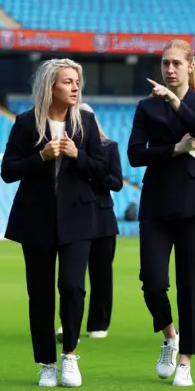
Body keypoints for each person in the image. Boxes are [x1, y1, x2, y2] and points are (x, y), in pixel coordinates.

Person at [0, 58, 107, 387]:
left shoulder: (86, 123)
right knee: (41, 293)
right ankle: (47, 362)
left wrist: (79, 156)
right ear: (50, 87)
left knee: (73, 288)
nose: (75, 87)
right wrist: (41, 157)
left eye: (77, 81)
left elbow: (105, 173)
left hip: (78, 219)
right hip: (36, 221)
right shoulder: (25, 123)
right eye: (67, 82)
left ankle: (70, 355)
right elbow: (8, 171)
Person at [127, 39, 195, 387]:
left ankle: (185, 360)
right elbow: (135, 155)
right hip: (157, 202)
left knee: (191, 284)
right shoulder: (145, 107)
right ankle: (170, 335)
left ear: (190, 66)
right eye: (165, 63)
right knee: (152, 282)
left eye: (177, 63)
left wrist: (176, 102)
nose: (170, 69)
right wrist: (173, 149)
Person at [55, 103, 123, 341]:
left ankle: (99, 323)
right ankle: (68, 322)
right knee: (72, 274)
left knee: (102, 273)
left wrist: (90, 171)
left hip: (102, 217)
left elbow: (116, 182)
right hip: (74, 216)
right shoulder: (61, 148)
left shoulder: (109, 146)